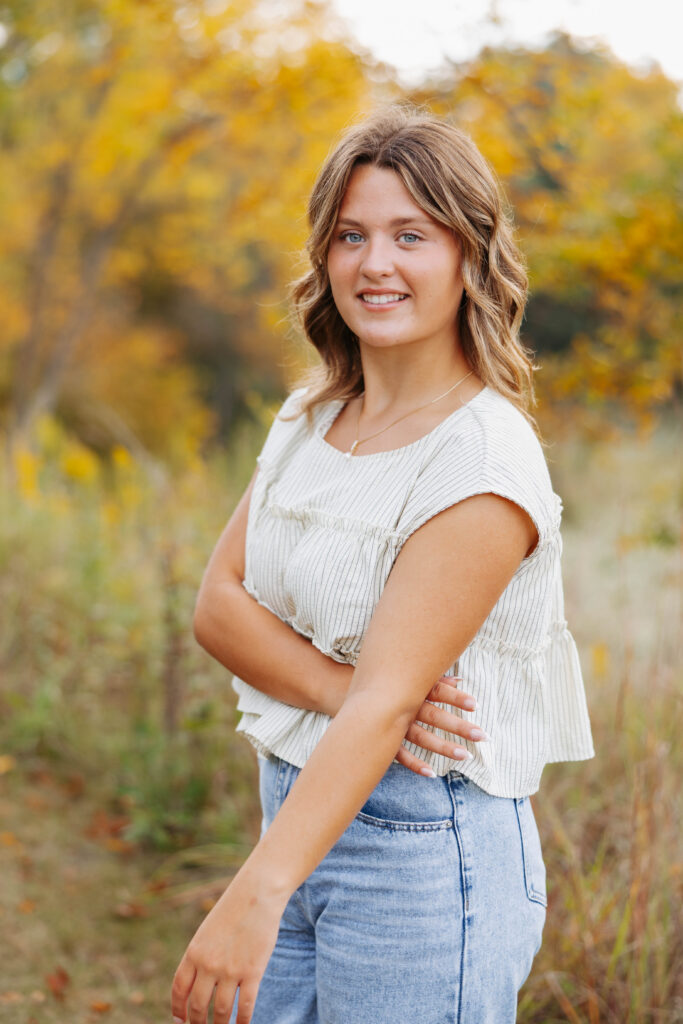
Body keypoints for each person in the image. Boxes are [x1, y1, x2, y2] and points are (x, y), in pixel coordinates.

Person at [170, 105, 594, 1024]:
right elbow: (216, 606)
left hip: (422, 854)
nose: (375, 264)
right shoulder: (311, 416)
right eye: (351, 236)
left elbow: (387, 702)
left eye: (411, 235)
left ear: (467, 256)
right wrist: (342, 690)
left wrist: (253, 892)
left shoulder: (479, 458)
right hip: (295, 811)